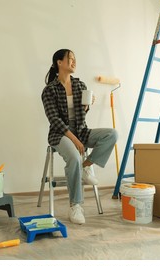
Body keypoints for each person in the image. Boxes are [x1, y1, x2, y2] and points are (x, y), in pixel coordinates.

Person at [41, 49, 118, 224]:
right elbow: (54, 120)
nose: (74, 62)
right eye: (70, 59)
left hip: (81, 130)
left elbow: (82, 114)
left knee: (112, 134)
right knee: (74, 157)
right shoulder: (49, 90)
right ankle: (76, 206)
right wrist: (74, 140)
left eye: (75, 59)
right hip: (60, 134)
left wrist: (86, 106)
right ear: (59, 62)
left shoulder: (80, 85)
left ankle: (86, 166)